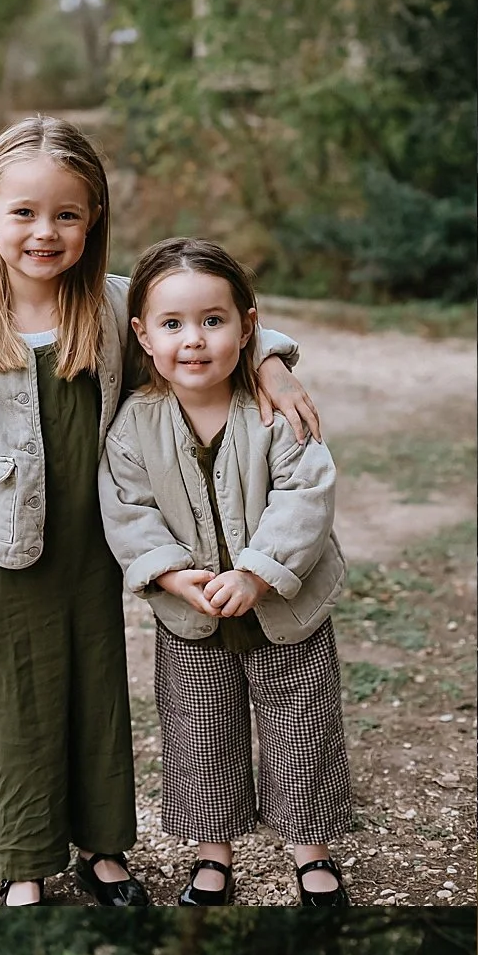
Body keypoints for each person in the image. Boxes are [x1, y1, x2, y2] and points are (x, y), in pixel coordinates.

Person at [0, 114, 316, 905]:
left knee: (96, 689)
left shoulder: (115, 309)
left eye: (66, 214)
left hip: (101, 545)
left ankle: (104, 849)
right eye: (23, 213)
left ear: (94, 219)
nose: (44, 232)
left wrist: (274, 362)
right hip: (3, 550)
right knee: (15, 699)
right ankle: (23, 860)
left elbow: (204, 317)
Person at [98, 238, 352, 907]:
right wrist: (169, 574)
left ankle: (310, 849)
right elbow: (128, 510)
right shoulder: (134, 425)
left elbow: (307, 496)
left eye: (214, 321)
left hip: (283, 611)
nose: (194, 340)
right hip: (192, 614)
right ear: (141, 335)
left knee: (301, 727)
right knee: (199, 732)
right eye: (172, 324)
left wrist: (258, 573)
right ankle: (213, 855)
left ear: (248, 325)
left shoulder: (275, 412)